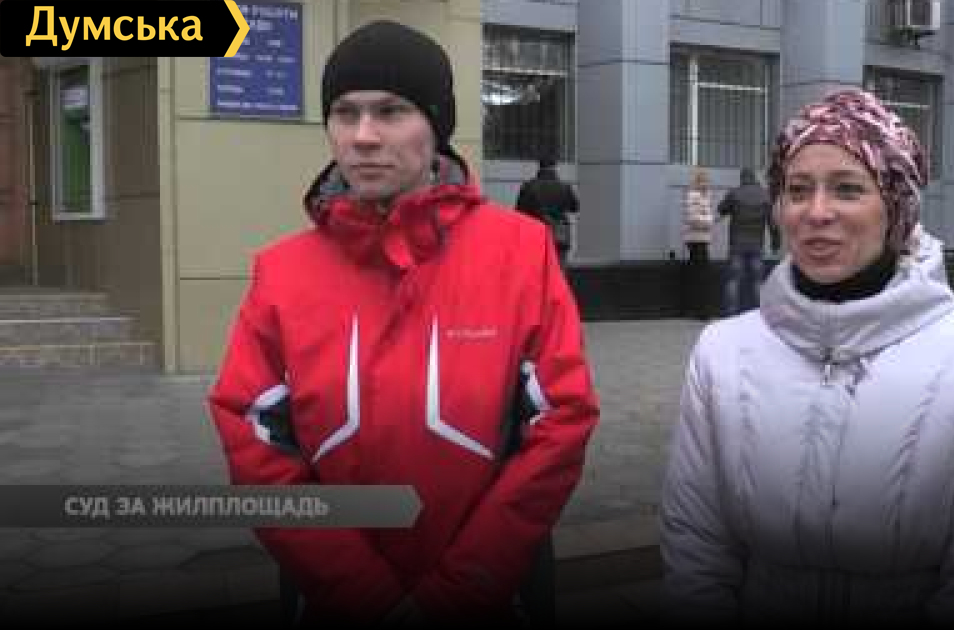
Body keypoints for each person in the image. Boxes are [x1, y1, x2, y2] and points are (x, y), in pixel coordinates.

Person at [207, 21, 600, 626]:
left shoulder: (521, 251)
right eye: (345, 113)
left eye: (391, 111)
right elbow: (254, 439)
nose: (363, 136)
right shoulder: (282, 272)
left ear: (436, 125)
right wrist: (359, 590)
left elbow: (561, 422)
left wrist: (461, 588)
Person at [661, 89, 954, 626]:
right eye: (798, 190)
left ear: (897, 207)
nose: (817, 212)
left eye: (847, 188)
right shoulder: (722, 351)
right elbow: (695, 543)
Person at [716, 167, 780, 316]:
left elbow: (721, 209)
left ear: (742, 178)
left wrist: (730, 205)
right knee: (758, 281)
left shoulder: (734, 193)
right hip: (757, 244)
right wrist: (775, 243)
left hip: (736, 244)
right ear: (754, 178)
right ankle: (759, 315)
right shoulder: (765, 196)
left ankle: (731, 315)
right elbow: (773, 224)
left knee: (733, 280)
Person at [515, 157, 580, 267]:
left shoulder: (529, 187)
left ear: (539, 166)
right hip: (559, 234)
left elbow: (519, 212)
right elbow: (575, 207)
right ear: (555, 166)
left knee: (536, 267)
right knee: (559, 269)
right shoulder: (565, 187)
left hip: (535, 234)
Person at [682, 168, 715, 319]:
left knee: (699, 275)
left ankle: (698, 309)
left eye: (706, 181)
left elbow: (699, 216)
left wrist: (707, 219)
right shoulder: (693, 196)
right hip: (696, 240)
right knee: (701, 275)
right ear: (697, 182)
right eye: (703, 181)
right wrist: (709, 220)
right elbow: (693, 218)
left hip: (701, 239)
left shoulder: (704, 196)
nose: (706, 184)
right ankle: (701, 311)